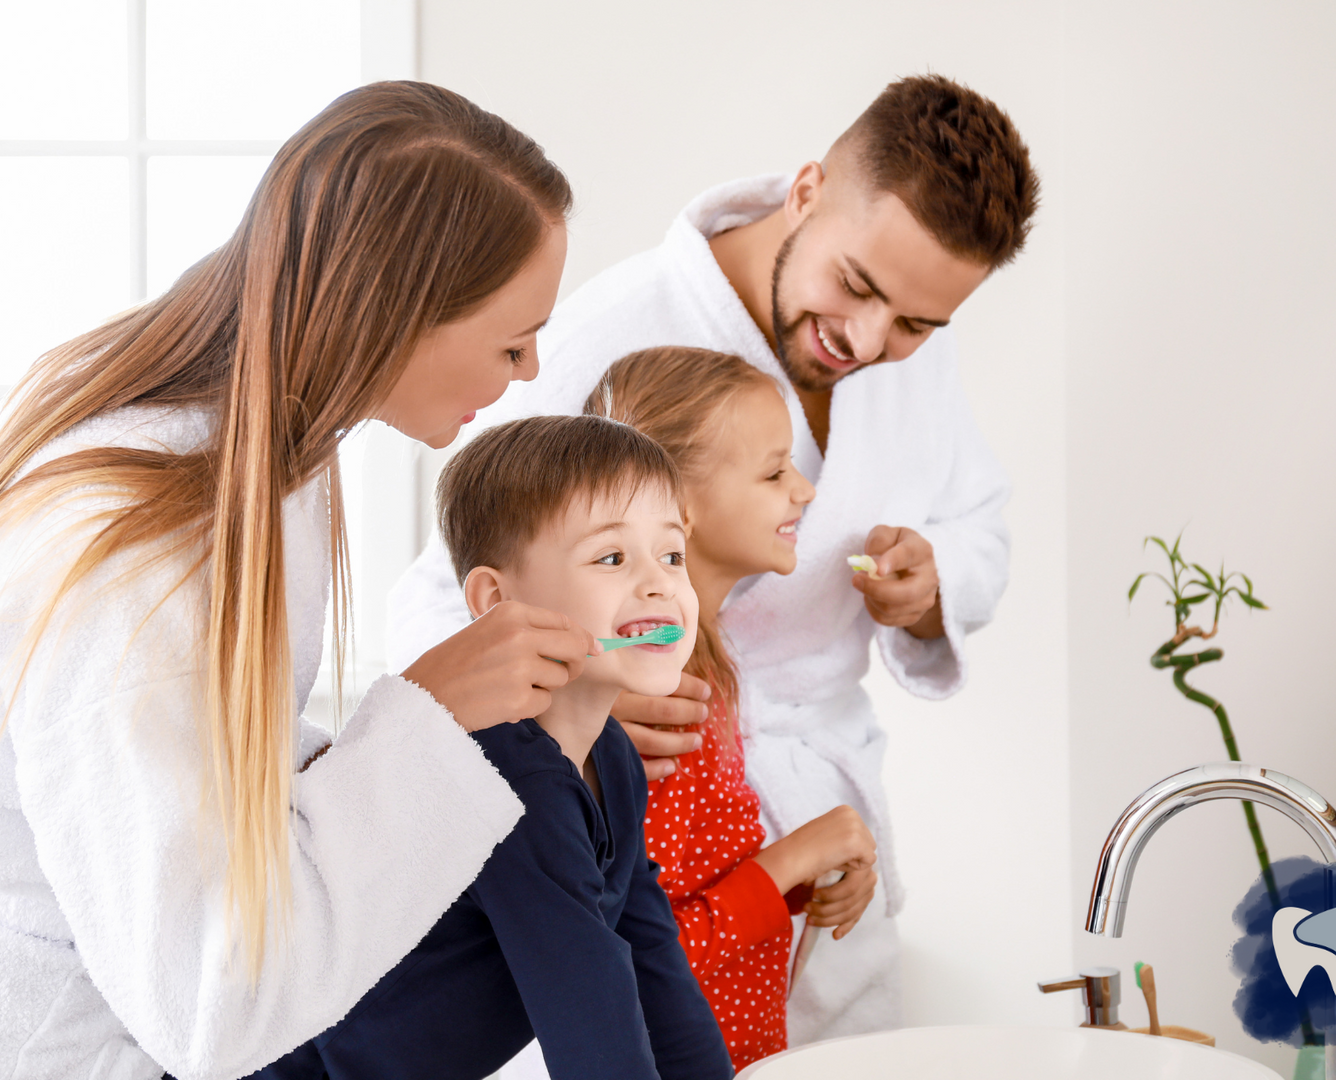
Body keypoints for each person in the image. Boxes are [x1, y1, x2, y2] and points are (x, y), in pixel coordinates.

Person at [0, 82, 603, 1080]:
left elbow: (194, 759)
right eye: (510, 340)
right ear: (395, 315)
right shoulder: (132, 564)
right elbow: (211, 1000)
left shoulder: (269, 454)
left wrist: (455, 727)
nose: (534, 368)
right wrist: (431, 718)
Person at [387, 74, 1040, 1041]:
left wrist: (936, 575)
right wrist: (588, 694)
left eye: (915, 324)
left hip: (820, 824)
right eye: (856, 287)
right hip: (662, 798)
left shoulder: (912, 351)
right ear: (807, 191)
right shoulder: (610, 337)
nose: (869, 340)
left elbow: (981, 518)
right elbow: (455, 591)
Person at [250, 414, 732, 1080]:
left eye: (672, 555)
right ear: (496, 600)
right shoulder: (510, 778)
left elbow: (652, 964)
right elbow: (593, 1024)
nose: (659, 584)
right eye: (613, 558)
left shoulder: (613, 760)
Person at [583, 346, 874, 1068]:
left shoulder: (705, 664)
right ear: (681, 505)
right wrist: (796, 854)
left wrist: (812, 872)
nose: (803, 491)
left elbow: (697, 890)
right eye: (775, 472)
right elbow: (646, 952)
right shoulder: (660, 696)